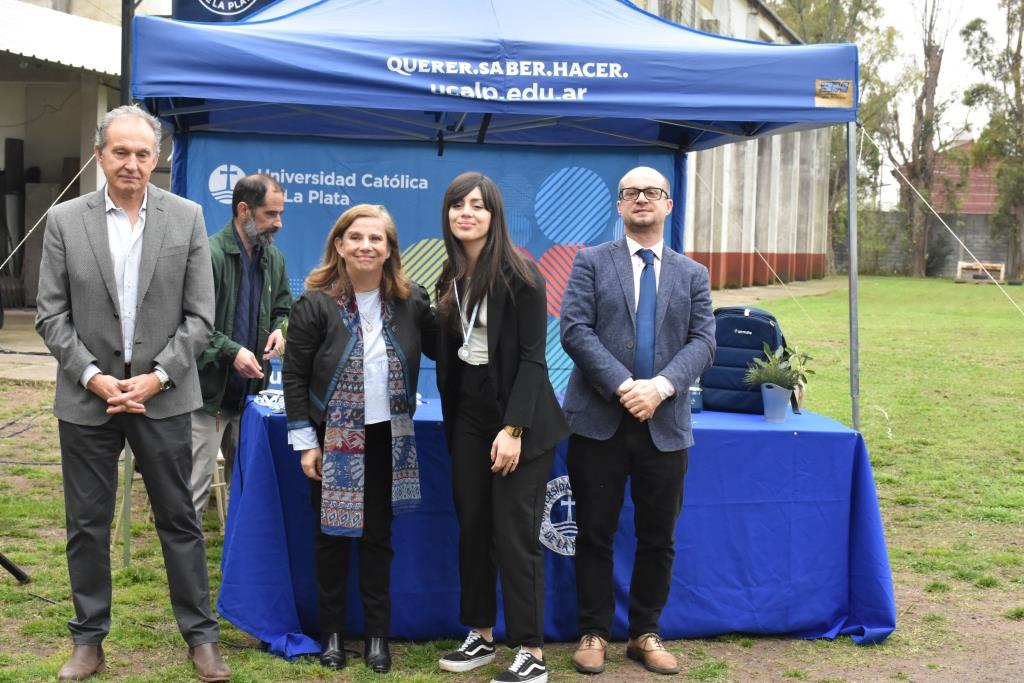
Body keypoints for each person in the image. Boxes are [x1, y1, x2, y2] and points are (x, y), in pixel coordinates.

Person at [35, 104, 230, 682]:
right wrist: (94, 376)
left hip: (163, 397)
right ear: (100, 155)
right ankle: (88, 641)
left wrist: (158, 376)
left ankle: (201, 639)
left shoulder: (188, 217)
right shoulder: (65, 220)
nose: (132, 163)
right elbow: (50, 315)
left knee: (180, 521)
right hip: (87, 399)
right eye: (120, 151)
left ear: (157, 159)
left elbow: (200, 317)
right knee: (86, 525)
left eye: (143, 153)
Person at [559, 166, 715, 676]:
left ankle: (645, 633)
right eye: (631, 193)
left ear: (669, 204)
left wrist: (660, 388)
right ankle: (594, 632)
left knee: (657, 537)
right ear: (620, 206)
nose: (641, 198)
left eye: (652, 192)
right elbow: (575, 330)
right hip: (598, 421)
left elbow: (704, 341)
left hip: (664, 425)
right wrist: (627, 387)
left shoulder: (693, 274)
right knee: (595, 534)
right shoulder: (590, 262)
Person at [282, 204, 435, 674]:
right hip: (332, 437)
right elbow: (294, 376)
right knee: (329, 537)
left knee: (378, 538)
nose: (366, 246)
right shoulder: (314, 303)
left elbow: (449, 349)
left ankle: (376, 636)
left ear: (390, 250)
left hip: (388, 436)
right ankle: (331, 634)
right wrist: (307, 442)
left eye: (377, 239)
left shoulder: (413, 303)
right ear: (340, 245)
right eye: (357, 238)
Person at [434, 172, 568, 683]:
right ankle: (481, 634)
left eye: (477, 205)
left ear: (494, 215)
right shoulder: (450, 276)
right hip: (468, 416)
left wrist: (514, 429)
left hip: (520, 419)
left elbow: (536, 360)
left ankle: (531, 655)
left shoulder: (523, 275)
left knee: (514, 535)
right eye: (457, 205)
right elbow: (453, 348)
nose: (466, 212)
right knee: (474, 528)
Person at [190, 173, 292, 522]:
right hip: (207, 397)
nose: (278, 223)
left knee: (247, 488)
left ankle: (237, 569)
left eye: (280, 214)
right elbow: (192, 325)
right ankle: (184, 573)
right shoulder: (209, 253)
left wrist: (281, 331)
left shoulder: (273, 259)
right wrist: (232, 351)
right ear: (244, 210)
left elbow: (283, 309)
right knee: (194, 491)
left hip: (251, 398)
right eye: (270, 214)